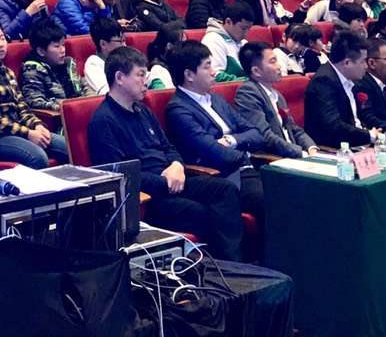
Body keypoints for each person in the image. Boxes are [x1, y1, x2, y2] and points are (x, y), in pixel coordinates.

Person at [87, 46, 245, 260]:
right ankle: (220, 265)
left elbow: (169, 147)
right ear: (120, 78)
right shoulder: (103, 121)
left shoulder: (143, 110)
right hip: (147, 196)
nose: (146, 81)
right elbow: (119, 174)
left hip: (173, 179)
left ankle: (236, 263)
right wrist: (165, 182)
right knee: (199, 211)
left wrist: (177, 165)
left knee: (225, 190)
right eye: (140, 75)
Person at [164, 41, 266, 216]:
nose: (213, 72)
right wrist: (244, 156)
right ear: (189, 74)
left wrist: (231, 140)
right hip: (224, 176)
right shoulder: (178, 109)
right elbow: (212, 150)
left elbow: (256, 133)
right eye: (207, 66)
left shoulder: (216, 99)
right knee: (271, 201)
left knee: (294, 188)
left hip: (247, 168)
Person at [0, 19, 68, 168]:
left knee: (68, 147)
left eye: (2, 38)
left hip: (18, 131)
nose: (0, 44)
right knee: (37, 157)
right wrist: (28, 133)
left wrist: (37, 125)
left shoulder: (8, 72)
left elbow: (22, 107)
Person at [233, 41, 317, 158]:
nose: (279, 66)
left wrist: (311, 148)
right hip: (273, 159)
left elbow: (294, 129)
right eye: (273, 62)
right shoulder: (247, 93)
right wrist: (300, 153)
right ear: (256, 71)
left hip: (295, 155)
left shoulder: (276, 94)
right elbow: (264, 136)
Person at [303, 30, 383, 148]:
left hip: (359, 143)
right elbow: (333, 126)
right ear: (347, 62)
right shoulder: (323, 82)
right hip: (334, 148)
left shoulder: (352, 79)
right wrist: (369, 135)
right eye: (363, 61)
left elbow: (361, 116)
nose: (366, 66)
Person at [19, 20, 90, 111]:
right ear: (41, 51)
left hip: (78, 110)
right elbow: (35, 101)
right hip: (58, 115)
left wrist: (89, 102)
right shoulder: (32, 70)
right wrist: (64, 106)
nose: (63, 50)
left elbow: (83, 87)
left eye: (63, 45)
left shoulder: (67, 64)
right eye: (57, 46)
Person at [201, 3, 253, 81]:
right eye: (243, 28)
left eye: (249, 29)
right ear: (228, 22)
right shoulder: (213, 40)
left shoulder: (243, 42)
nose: (246, 33)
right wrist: (248, 80)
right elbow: (215, 76)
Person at [83, 15, 128, 95]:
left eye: (124, 40)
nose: (124, 45)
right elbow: (107, 93)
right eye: (120, 41)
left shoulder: (124, 58)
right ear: (103, 44)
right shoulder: (93, 64)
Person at [145, 24, 184, 90]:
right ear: (169, 46)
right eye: (182, 43)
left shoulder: (177, 63)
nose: (185, 47)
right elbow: (165, 94)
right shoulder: (158, 70)